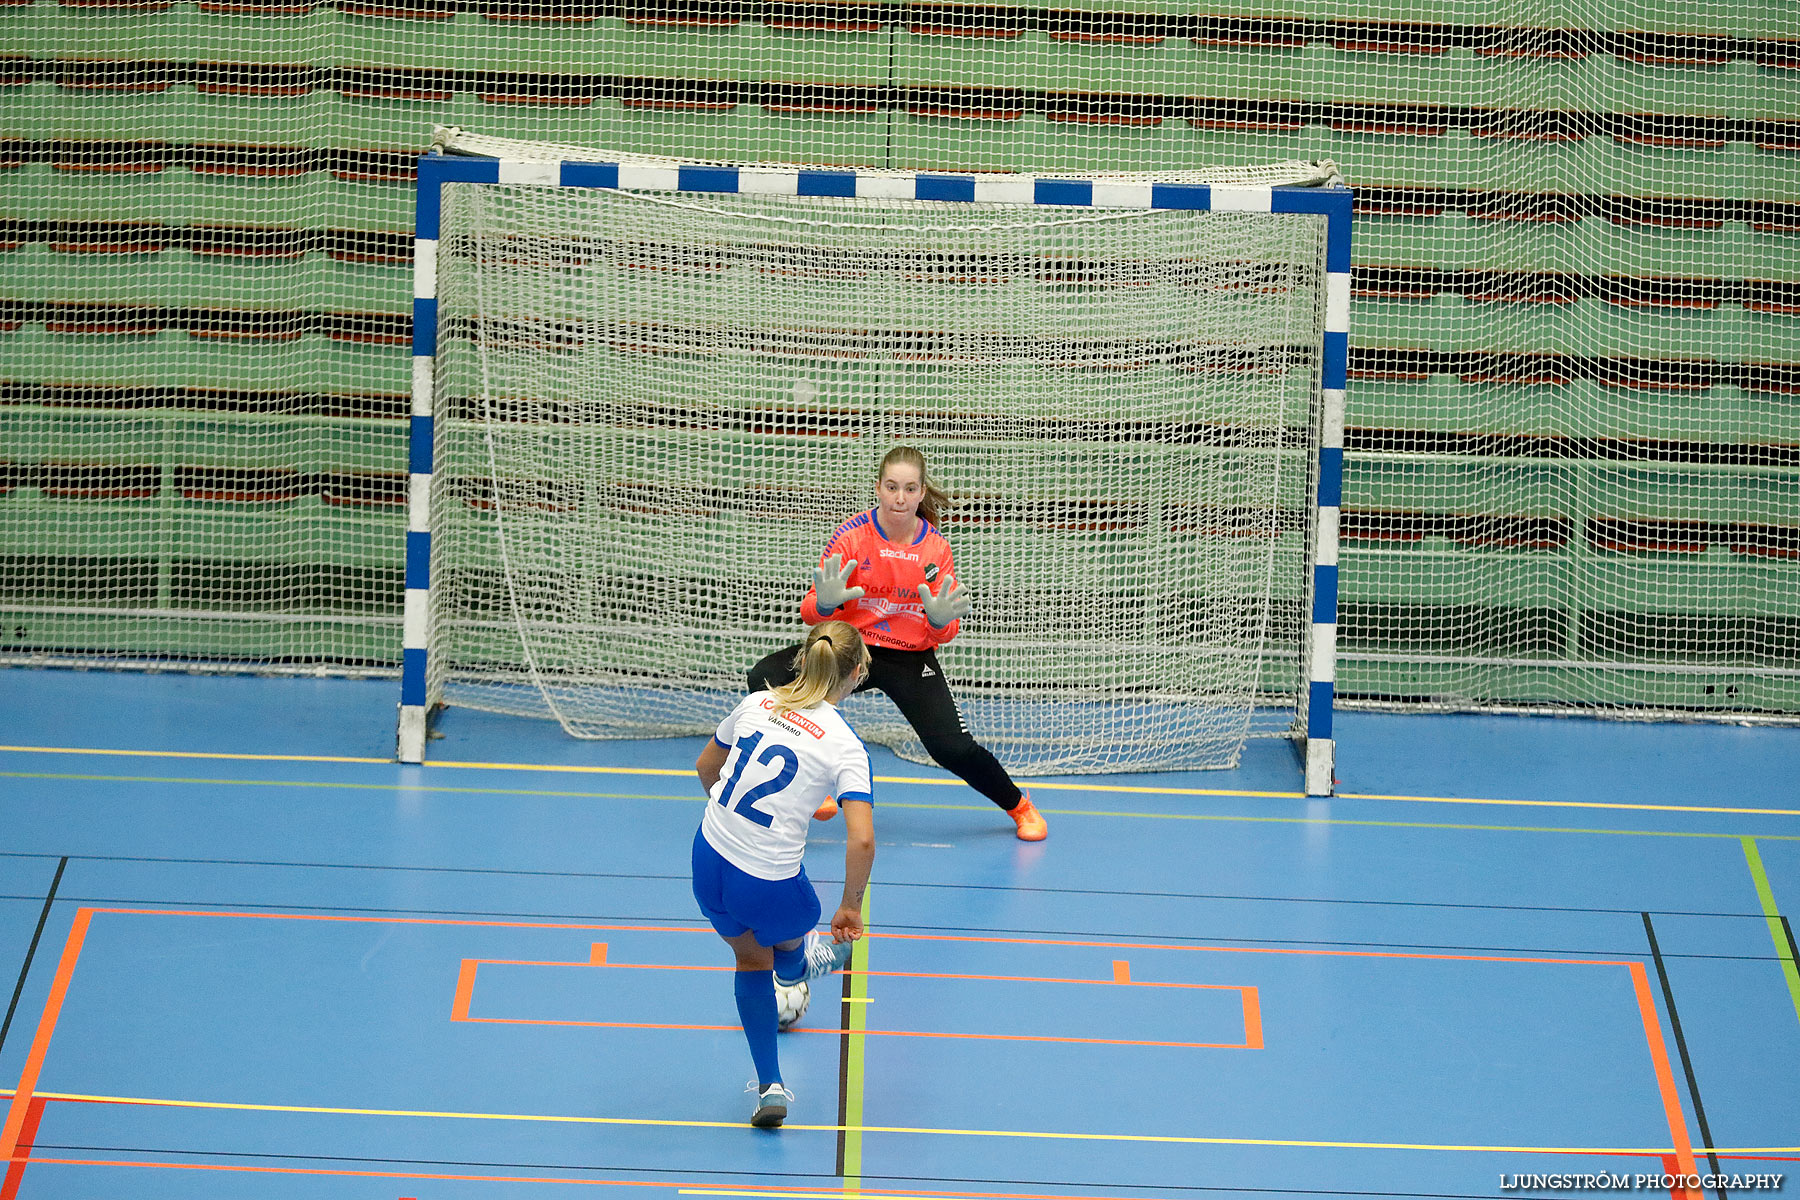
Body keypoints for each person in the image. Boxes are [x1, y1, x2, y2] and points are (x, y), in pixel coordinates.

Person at [748, 445, 1047, 842]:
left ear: (922, 493)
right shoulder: (852, 536)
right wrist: (823, 602)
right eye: (892, 487)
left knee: (951, 748)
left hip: (909, 656)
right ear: (878, 489)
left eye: (909, 488)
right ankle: (814, 783)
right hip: (850, 648)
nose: (900, 498)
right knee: (765, 677)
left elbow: (942, 631)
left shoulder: (935, 548)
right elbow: (811, 612)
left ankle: (1020, 806)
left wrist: (941, 623)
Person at [693, 619, 876, 1128]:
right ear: (857, 674)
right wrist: (850, 907)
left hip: (707, 859)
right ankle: (803, 965)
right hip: (768, 882)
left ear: (800, 658)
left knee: (751, 961)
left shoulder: (756, 702)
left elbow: (708, 768)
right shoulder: (843, 744)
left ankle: (770, 1088)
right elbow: (861, 838)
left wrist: (746, 822)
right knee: (788, 960)